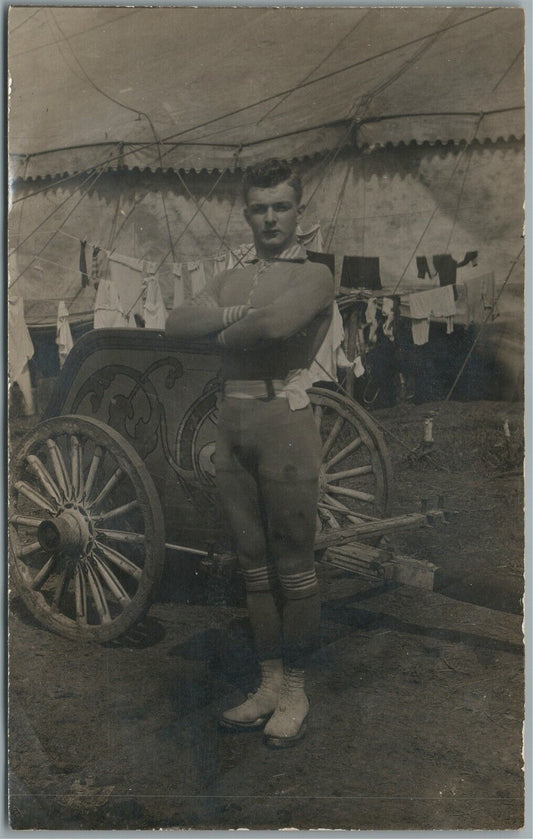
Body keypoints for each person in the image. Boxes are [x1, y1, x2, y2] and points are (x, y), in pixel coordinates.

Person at [166, 159, 334, 747]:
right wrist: (237, 316)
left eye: (281, 206)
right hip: (232, 423)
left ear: (298, 211)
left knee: (294, 565)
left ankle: (296, 689)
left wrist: (219, 329)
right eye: (259, 208)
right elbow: (173, 323)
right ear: (246, 213)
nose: (270, 218)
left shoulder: (315, 275)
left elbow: (277, 327)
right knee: (253, 564)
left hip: (282, 424)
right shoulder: (233, 278)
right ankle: (266, 684)